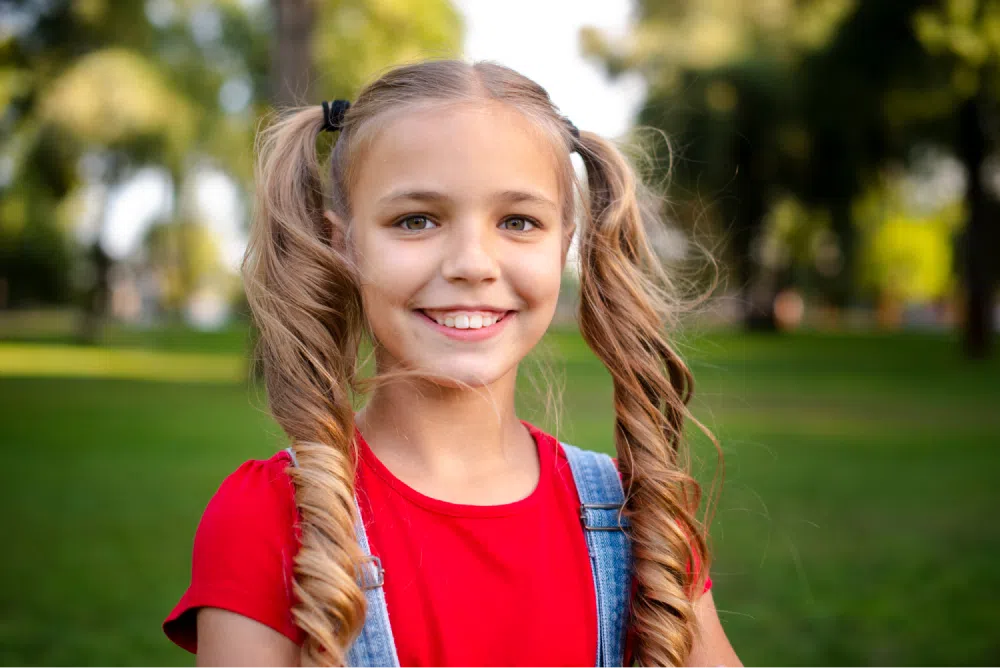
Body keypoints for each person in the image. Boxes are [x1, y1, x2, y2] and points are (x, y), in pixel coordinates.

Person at [163, 60, 742, 668]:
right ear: (343, 243)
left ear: (564, 242)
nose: (472, 262)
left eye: (518, 222)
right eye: (416, 220)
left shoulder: (637, 520)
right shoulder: (270, 518)